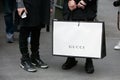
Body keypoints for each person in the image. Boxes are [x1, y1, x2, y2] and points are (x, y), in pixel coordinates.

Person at [62, 0, 98, 74]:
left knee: (87, 33)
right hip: (71, 5)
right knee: (71, 31)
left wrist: (84, 1)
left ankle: (89, 59)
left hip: (87, 6)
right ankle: (71, 58)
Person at [16, 0, 50, 72]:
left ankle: (35, 57)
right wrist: (20, 5)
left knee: (37, 28)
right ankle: (24, 59)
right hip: (26, 3)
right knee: (24, 29)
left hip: (41, 3)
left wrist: (51, 4)